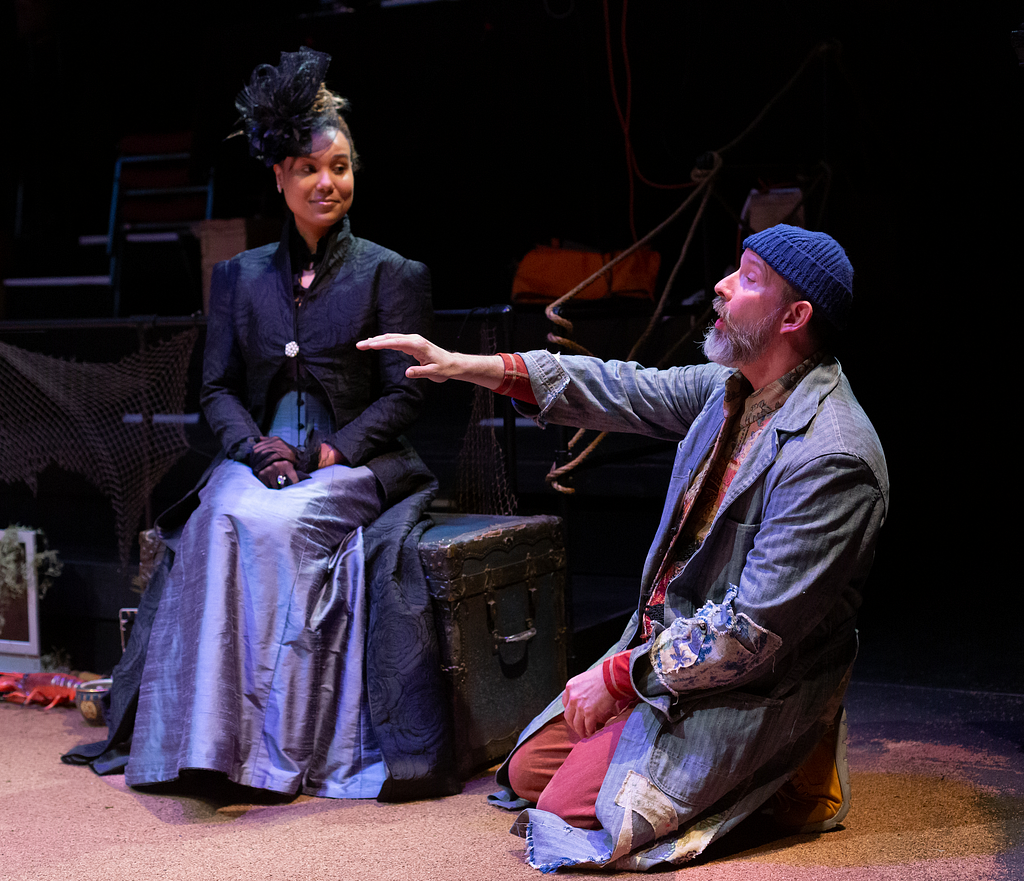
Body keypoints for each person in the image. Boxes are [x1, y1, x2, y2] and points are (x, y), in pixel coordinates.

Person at [357, 224, 888, 869]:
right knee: (527, 776)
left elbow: (752, 633)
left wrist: (615, 679)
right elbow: (620, 387)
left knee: (571, 816)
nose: (722, 285)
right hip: (665, 646)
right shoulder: (731, 390)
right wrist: (472, 368)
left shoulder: (833, 455)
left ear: (795, 316)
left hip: (749, 679)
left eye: (749, 278)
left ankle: (777, 767)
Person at [65, 48, 458, 802]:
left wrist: (321, 452)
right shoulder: (239, 277)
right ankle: (204, 744)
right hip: (258, 457)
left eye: (339, 167)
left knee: (280, 527)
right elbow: (214, 389)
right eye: (309, 169)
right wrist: (253, 451)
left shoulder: (391, 273)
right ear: (278, 176)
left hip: (353, 462)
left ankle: (276, 755)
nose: (326, 183)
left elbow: (406, 397)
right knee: (220, 518)